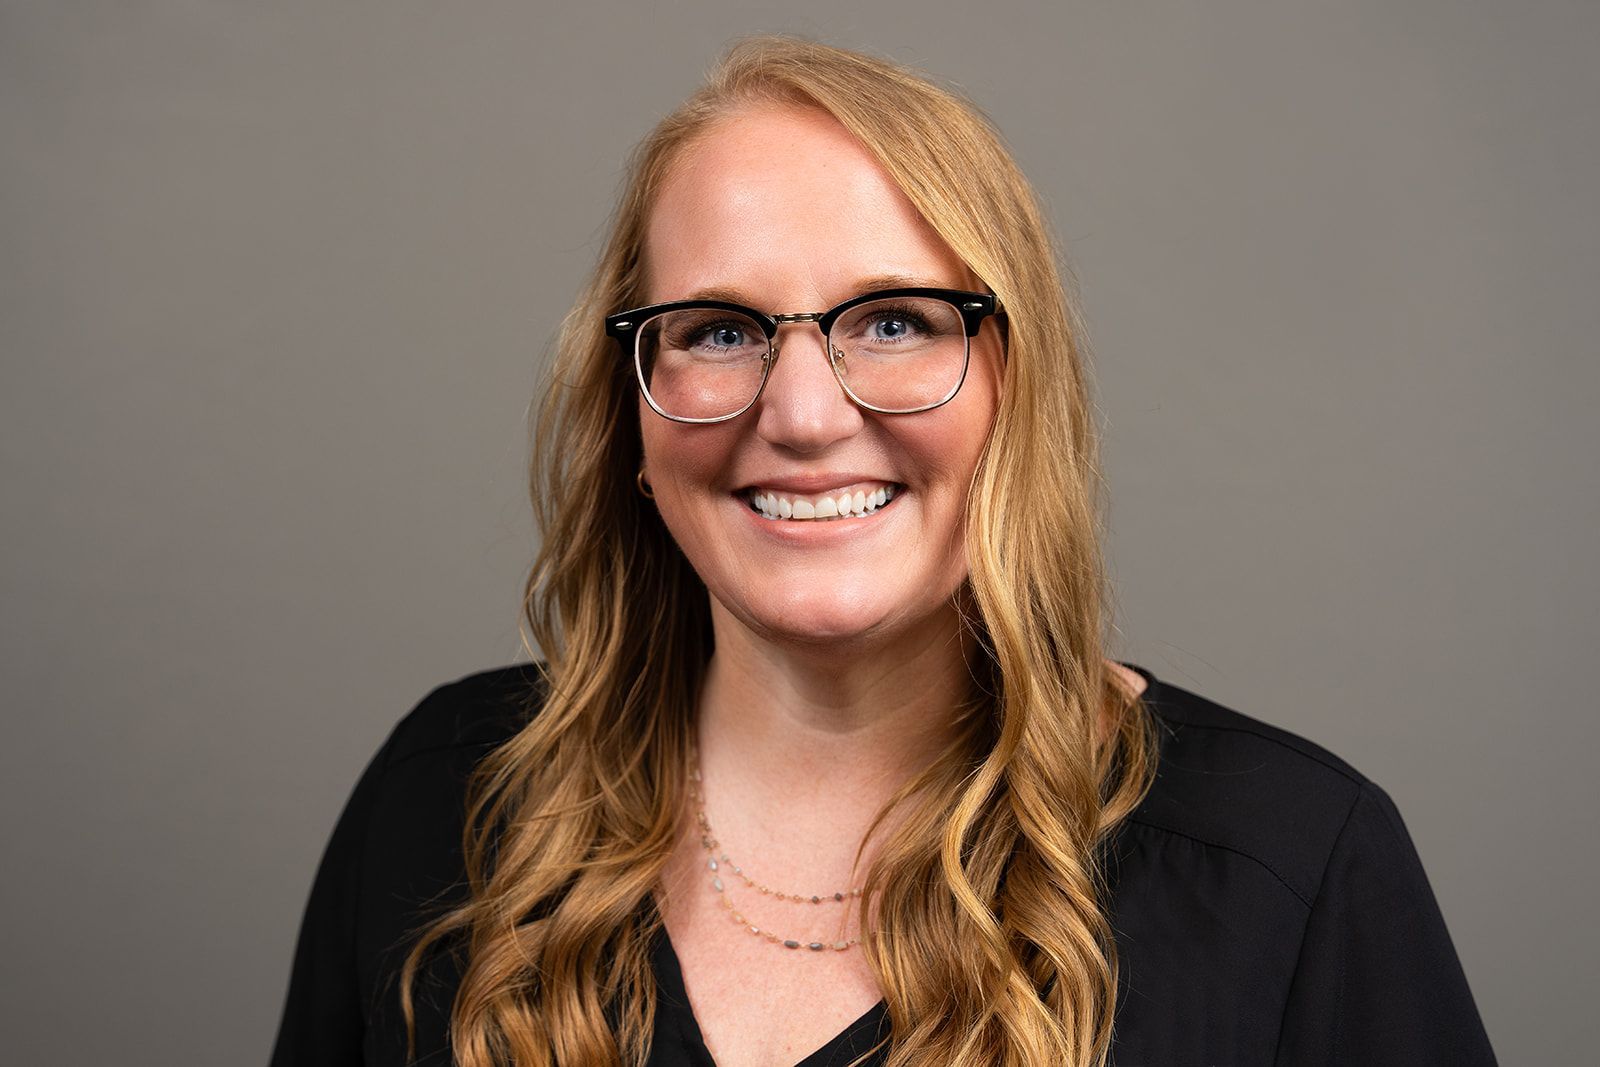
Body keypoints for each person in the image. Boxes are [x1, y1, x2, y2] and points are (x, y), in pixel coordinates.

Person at [269, 36, 1496, 1067]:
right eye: (718, 330)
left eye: (896, 320)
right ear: (630, 414)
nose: (803, 414)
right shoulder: (442, 801)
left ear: (1018, 390)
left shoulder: (1288, 866)